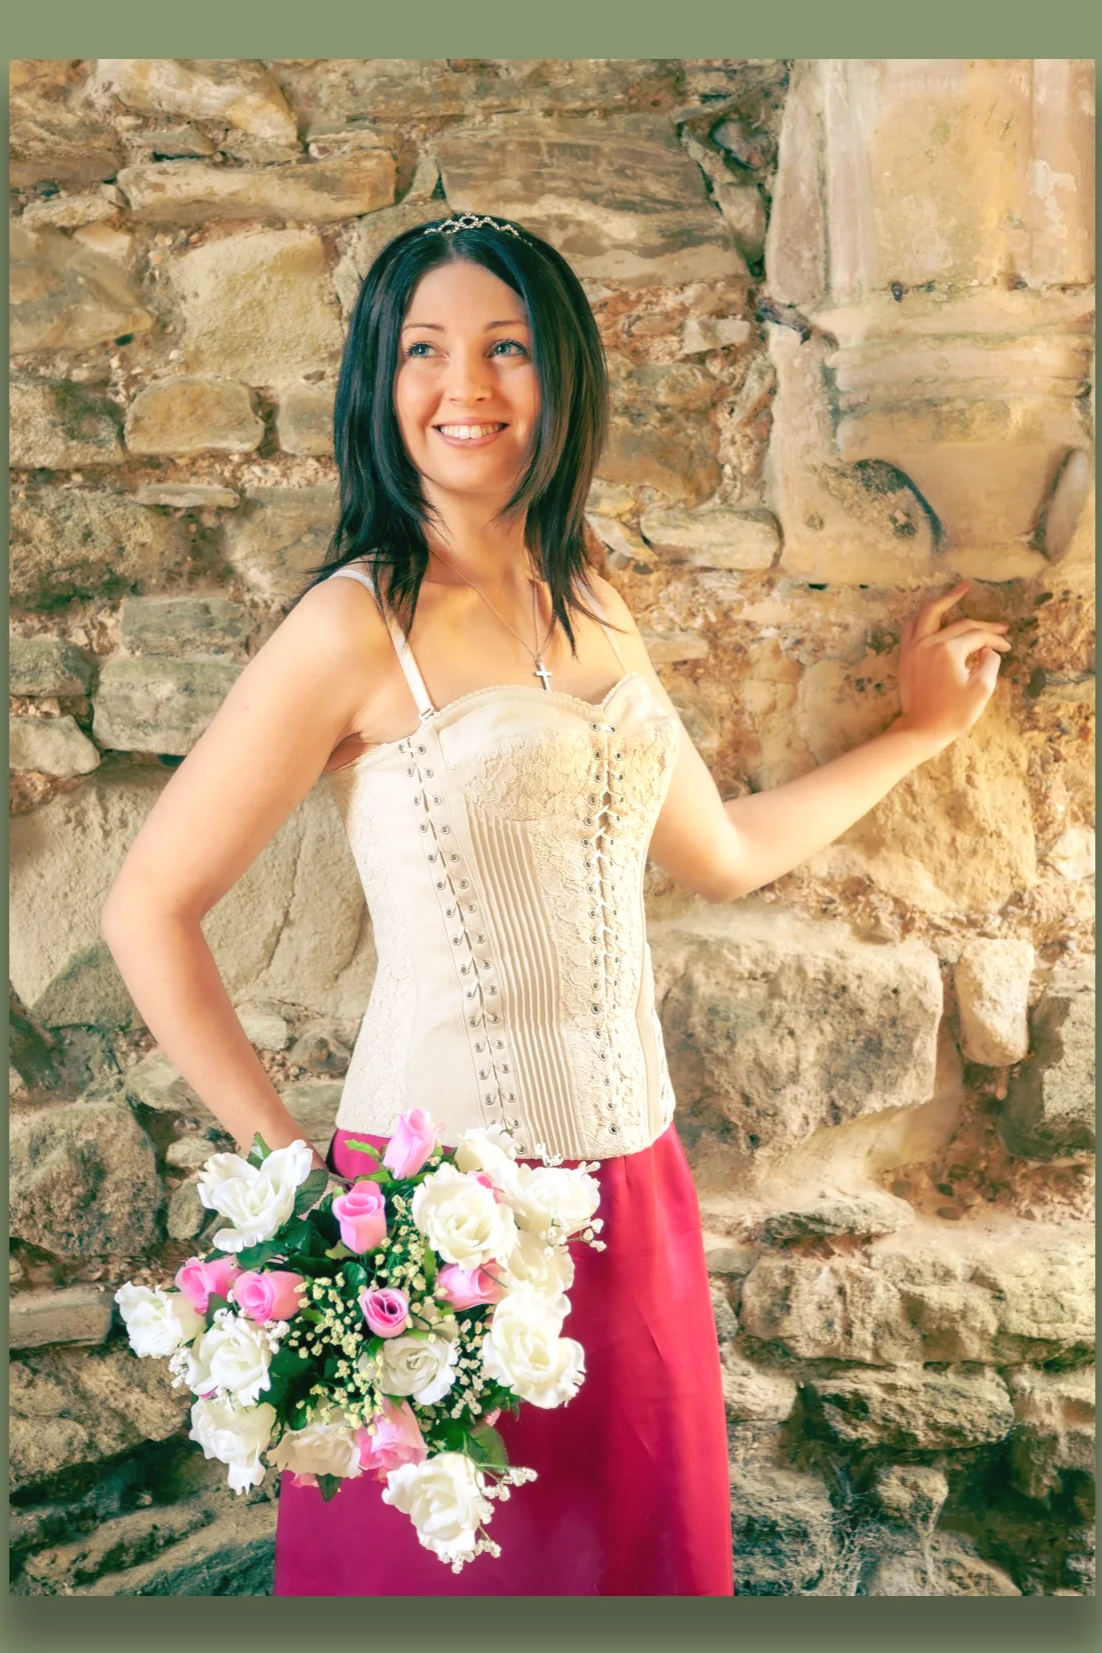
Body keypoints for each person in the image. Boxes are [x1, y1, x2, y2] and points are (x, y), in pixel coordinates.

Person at [100, 211, 1012, 1597]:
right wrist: (297, 1196)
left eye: (505, 348)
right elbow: (145, 909)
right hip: (428, 1221)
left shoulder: (587, 593)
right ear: (377, 380)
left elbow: (715, 853)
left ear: (560, 376)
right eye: (425, 351)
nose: (465, 387)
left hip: (631, 1195)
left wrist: (916, 737)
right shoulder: (353, 626)